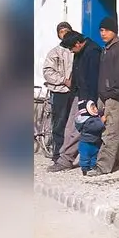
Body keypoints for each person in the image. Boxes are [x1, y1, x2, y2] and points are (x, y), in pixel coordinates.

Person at [47, 29, 103, 173]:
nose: (71, 51)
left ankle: (66, 160)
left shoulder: (93, 52)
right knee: (69, 127)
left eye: (72, 48)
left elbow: (93, 79)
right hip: (78, 95)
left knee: (77, 128)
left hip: (87, 98)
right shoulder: (81, 51)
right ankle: (64, 157)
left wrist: (90, 102)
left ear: (78, 43)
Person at [88, 17, 119, 177]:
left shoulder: (118, 50)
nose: (103, 33)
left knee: (110, 133)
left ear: (114, 31)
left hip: (115, 99)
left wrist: (110, 94)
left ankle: (103, 167)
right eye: (101, 30)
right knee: (102, 131)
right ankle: (98, 162)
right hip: (105, 97)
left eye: (106, 30)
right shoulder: (107, 50)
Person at [42, 21, 75, 163]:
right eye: (61, 32)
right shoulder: (54, 52)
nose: (64, 34)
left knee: (73, 122)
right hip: (59, 91)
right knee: (59, 122)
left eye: (67, 30)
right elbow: (48, 72)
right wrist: (63, 80)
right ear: (58, 35)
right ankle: (58, 154)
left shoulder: (76, 49)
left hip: (74, 92)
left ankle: (70, 153)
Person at [74, 100, 105, 175]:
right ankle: (85, 168)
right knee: (85, 156)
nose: (96, 109)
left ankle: (93, 166)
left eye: (95, 107)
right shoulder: (87, 121)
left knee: (94, 155)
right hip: (86, 143)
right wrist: (102, 121)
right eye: (93, 108)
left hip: (94, 142)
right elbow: (96, 127)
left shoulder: (92, 118)